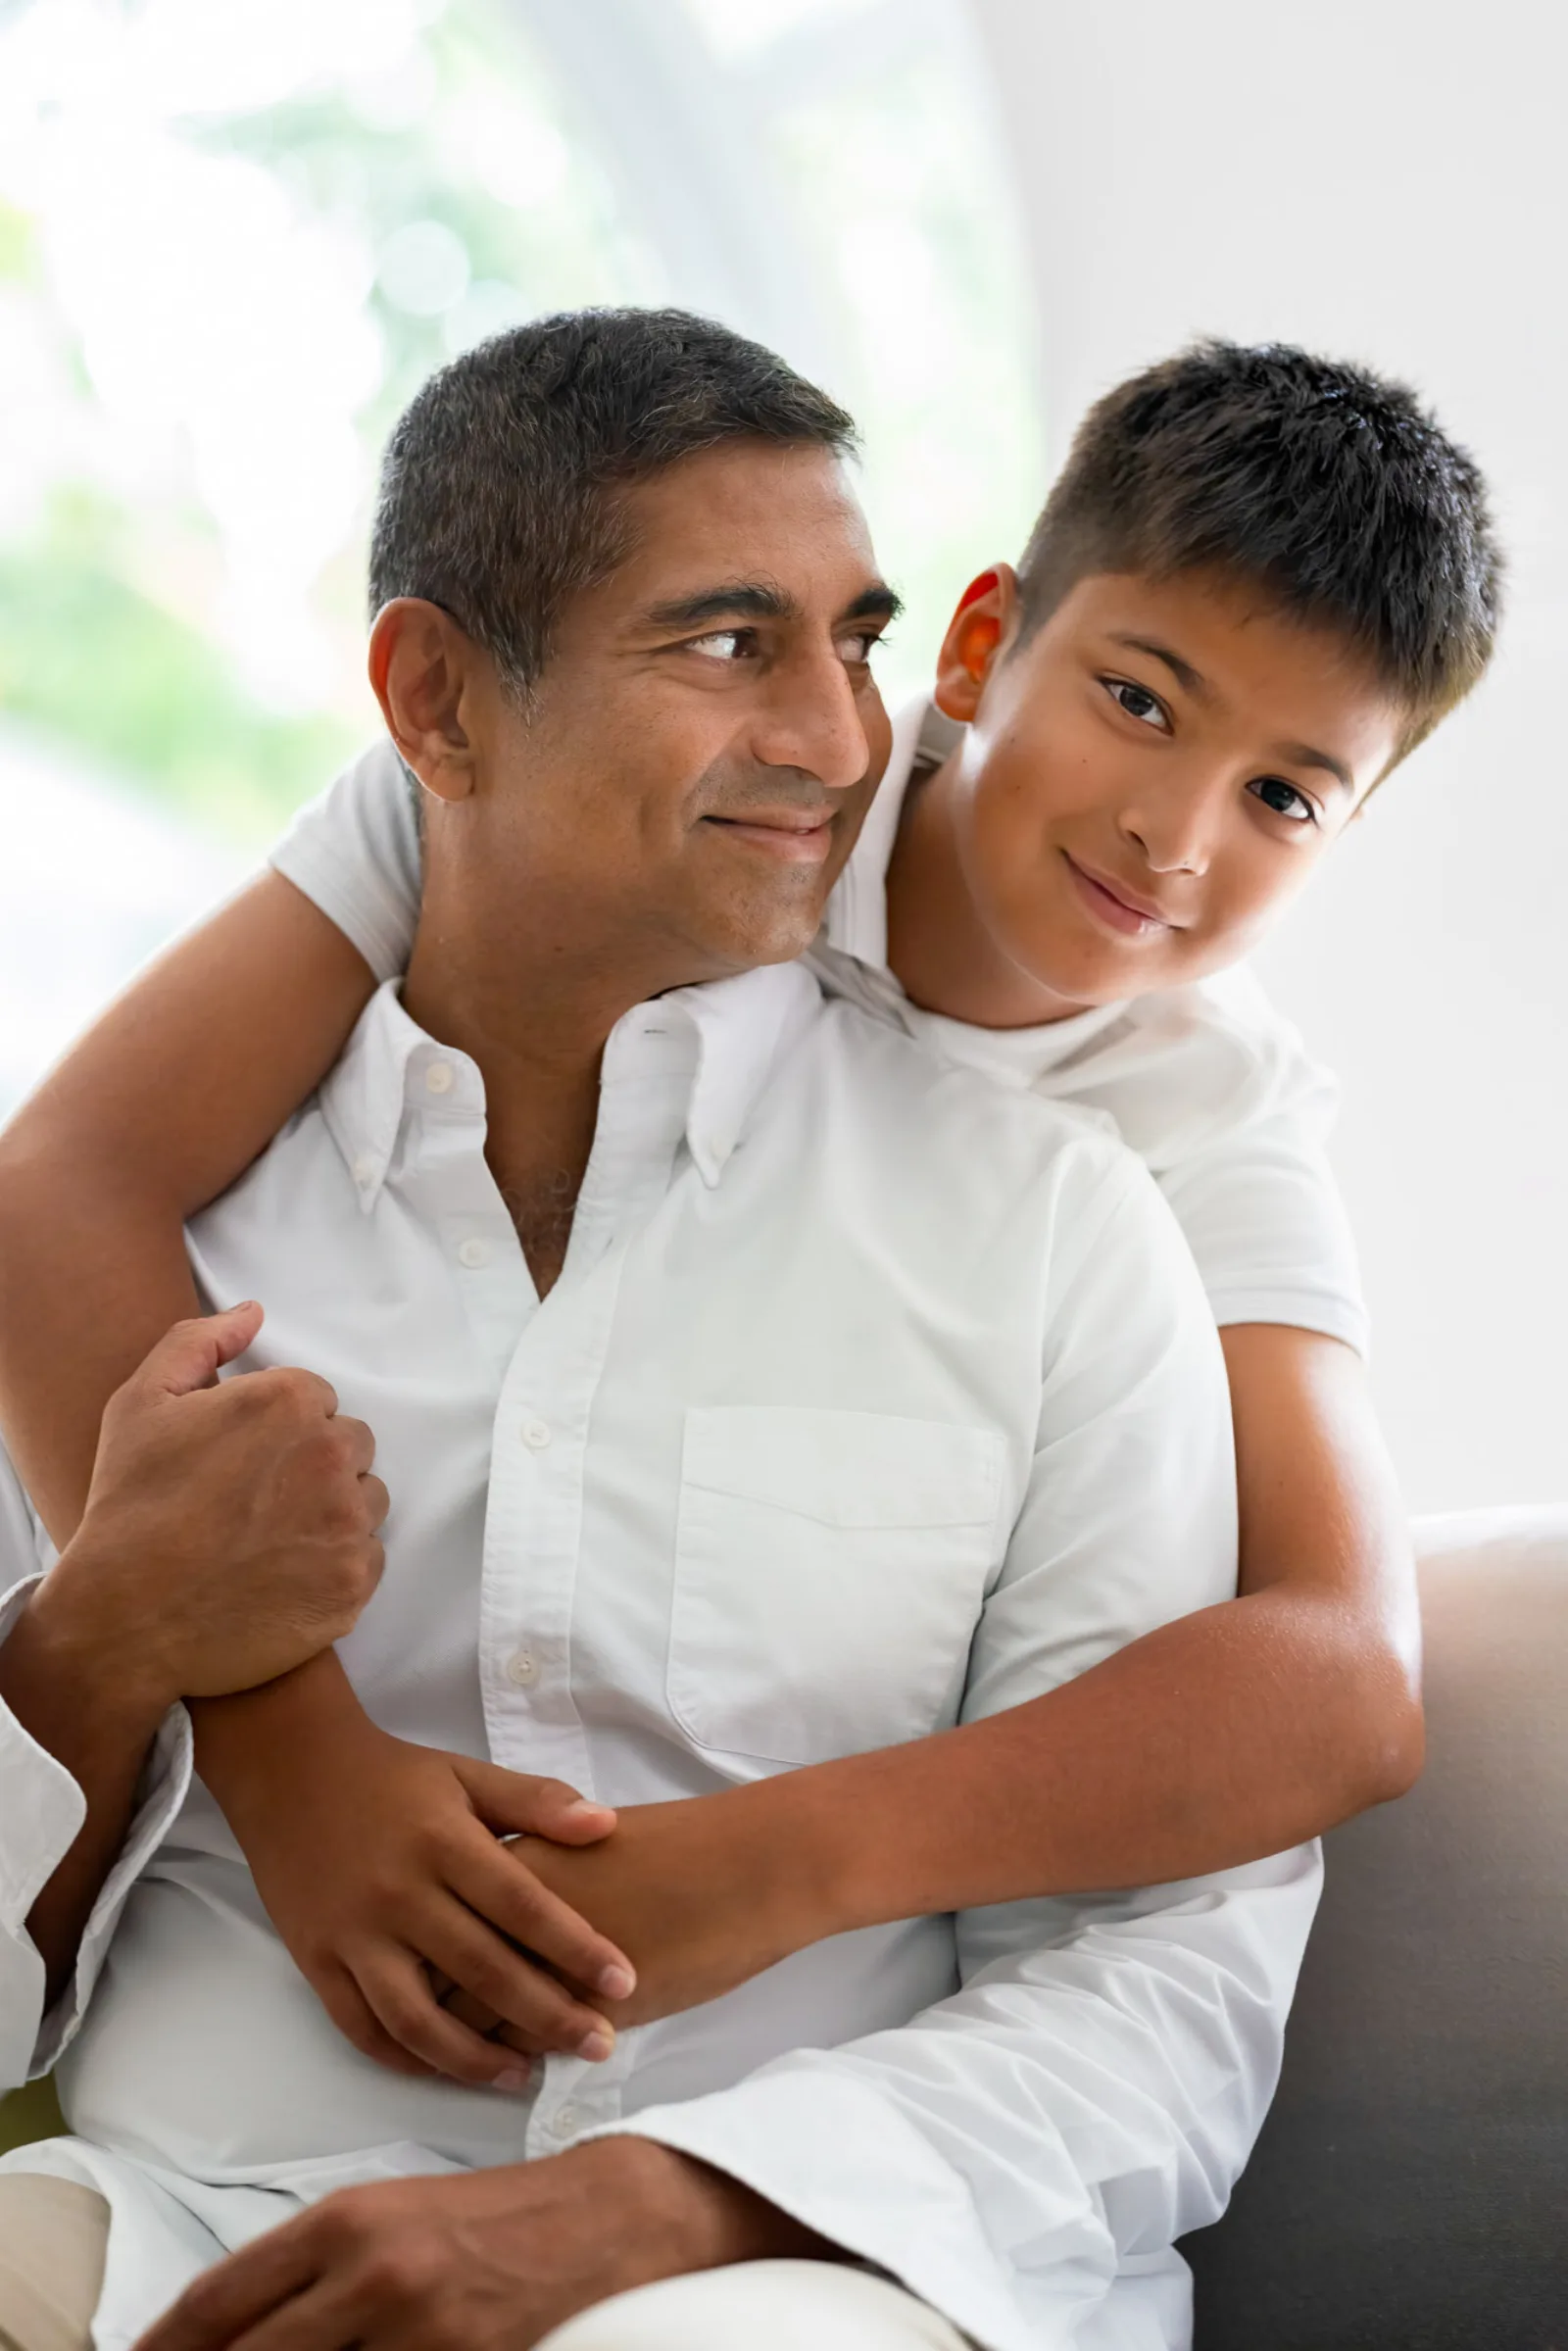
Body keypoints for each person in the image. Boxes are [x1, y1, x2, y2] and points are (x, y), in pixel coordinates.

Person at [0, 309, 1325, 2351]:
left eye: (850, 643)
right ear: (434, 704)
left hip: (787, 2270)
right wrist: (100, 1654)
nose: (837, 737)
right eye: (725, 646)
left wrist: (673, 2206)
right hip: (172, 2234)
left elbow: (1172, 1954)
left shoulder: (1079, 1221)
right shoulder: (131, 1284)